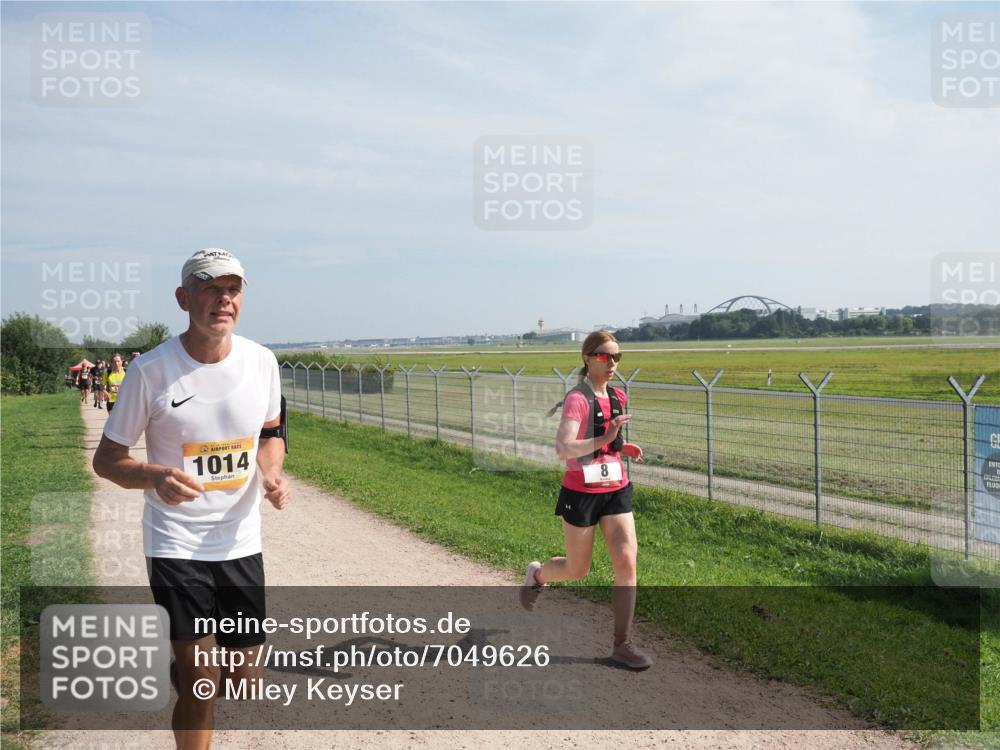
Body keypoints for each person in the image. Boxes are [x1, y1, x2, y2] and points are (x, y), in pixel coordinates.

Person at [93, 248, 290, 750]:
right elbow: (107, 460)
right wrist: (155, 475)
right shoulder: (150, 371)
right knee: (203, 678)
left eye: (233, 290)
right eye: (210, 289)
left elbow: (271, 435)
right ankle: (190, 669)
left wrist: (271, 473)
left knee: (243, 680)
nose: (224, 300)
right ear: (184, 298)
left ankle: (183, 668)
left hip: (240, 540)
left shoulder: (262, 362)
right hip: (175, 541)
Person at [519, 330, 653, 670]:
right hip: (581, 493)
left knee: (627, 562)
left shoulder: (618, 396)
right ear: (587, 358)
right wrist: (607, 437)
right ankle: (538, 575)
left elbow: (605, 441)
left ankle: (622, 645)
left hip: (616, 488)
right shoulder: (577, 399)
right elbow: (564, 448)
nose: (612, 363)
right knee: (577, 570)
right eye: (604, 356)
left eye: (617, 357)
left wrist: (621, 447)